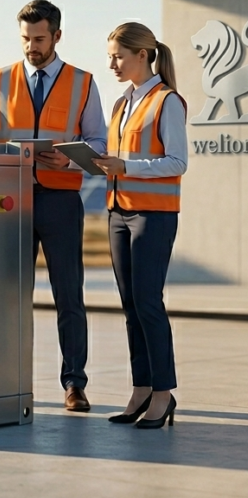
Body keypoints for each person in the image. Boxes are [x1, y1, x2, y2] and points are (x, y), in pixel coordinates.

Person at [0, 0, 106, 411]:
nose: (31, 47)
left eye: (39, 39)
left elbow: (99, 145)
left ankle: (74, 384)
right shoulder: (0, 78)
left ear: (57, 36)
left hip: (60, 201)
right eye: (25, 39)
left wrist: (68, 157)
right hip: (10, 202)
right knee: (6, 295)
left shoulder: (83, 83)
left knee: (68, 295)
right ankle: (2, 381)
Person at [93, 22, 186, 429]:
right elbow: (118, 155)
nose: (111, 63)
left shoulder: (167, 101)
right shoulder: (120, 104)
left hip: (153, 215)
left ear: (143, 55)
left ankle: (163, 394)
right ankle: (141, 389)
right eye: (110, 56)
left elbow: (178, 162)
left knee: (148, 303)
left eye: (118, 55)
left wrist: (126, 166)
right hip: (118, 212)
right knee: (131, 306)